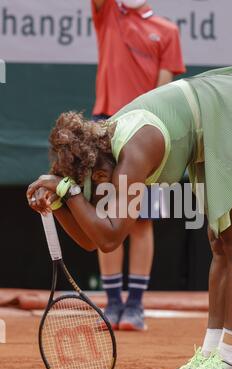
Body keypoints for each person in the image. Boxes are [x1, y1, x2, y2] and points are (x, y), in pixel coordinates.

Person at [27, 63, 232, 369]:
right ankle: (212, 357)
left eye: (96, 183)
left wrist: (67, 193)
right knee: (220, 243)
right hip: (223, 115)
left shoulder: (135, 148)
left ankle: (230, 364)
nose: (100, 191)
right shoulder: (103, 149)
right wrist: (59, 202)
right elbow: (91, 240)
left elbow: (109, 238)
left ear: (98, 168)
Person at [91, 0, 186, 331]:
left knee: (142, 221)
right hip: (106, 128)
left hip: (146, 131)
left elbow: (162, 93)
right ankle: (113, 302)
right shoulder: (108, 14)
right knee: (107, 214)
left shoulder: (167, 31)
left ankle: (135, 306)